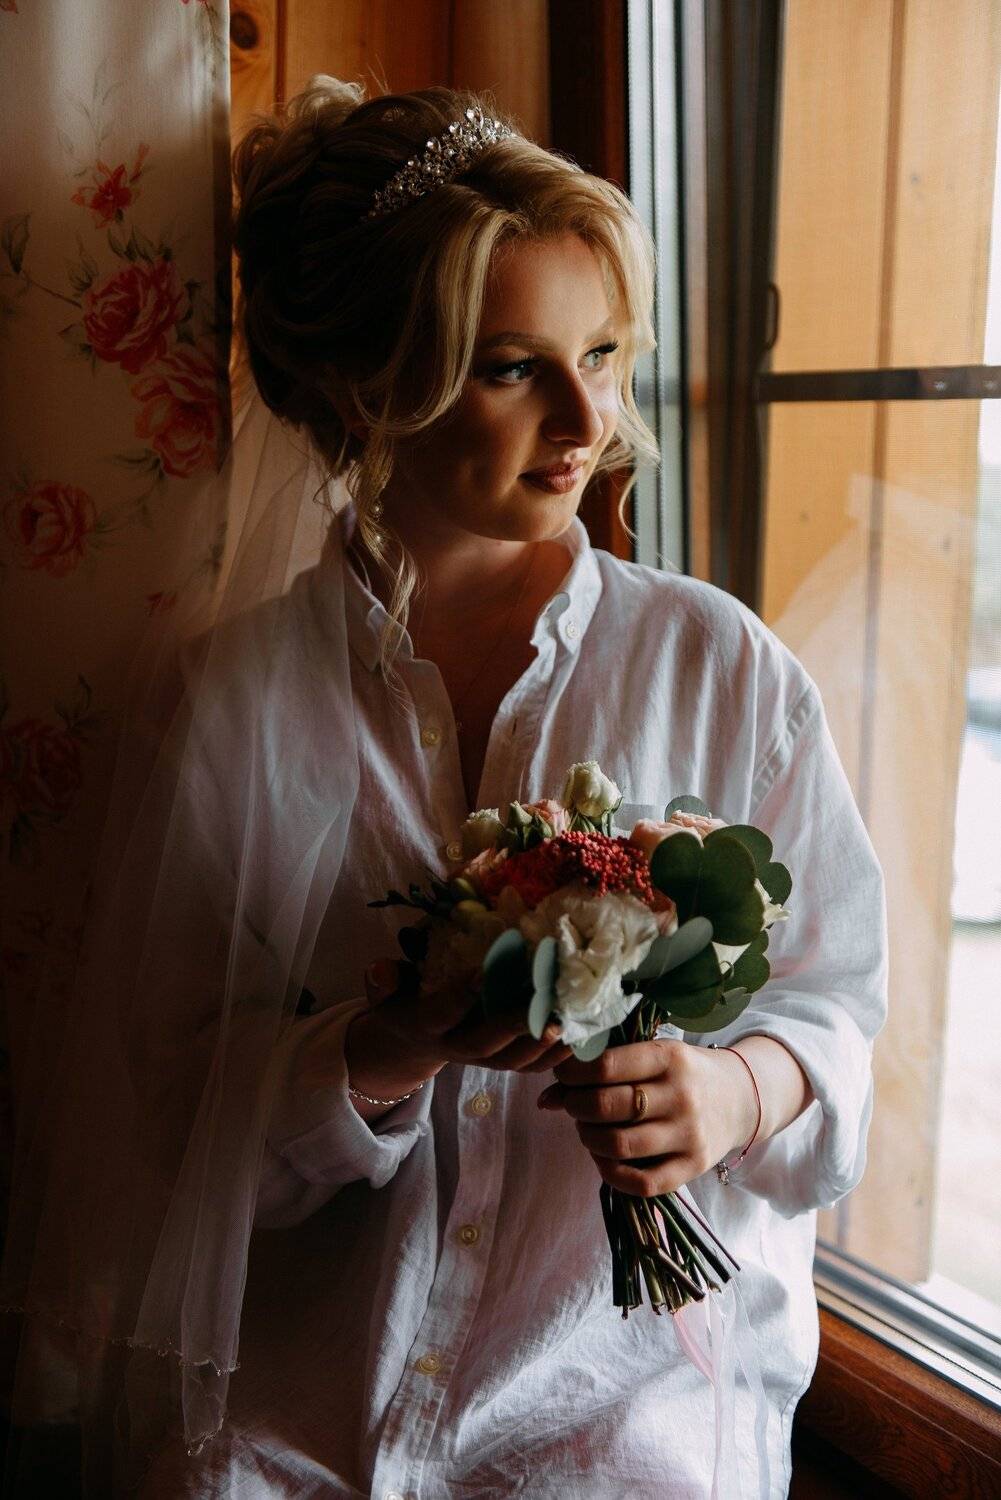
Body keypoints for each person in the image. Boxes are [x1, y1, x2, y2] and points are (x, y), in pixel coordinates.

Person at [2, 79, 887, 1499]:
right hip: (297, 1417)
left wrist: (733, 1091)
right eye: (512, 368)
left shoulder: (721, 669)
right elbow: (173, 1126)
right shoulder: (228, 707)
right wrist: (386, 1044)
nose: (587, 417)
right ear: (371, 387)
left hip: (618, 1417)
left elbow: (836, 1005)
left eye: (603, 352)